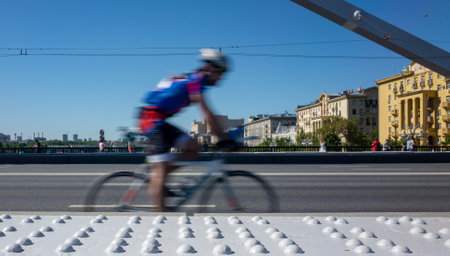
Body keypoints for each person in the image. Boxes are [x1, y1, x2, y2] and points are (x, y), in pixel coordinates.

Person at [138, 48, 233, 211]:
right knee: (160, 171)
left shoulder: (195, 79)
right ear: (210, 68)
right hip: (151, 119)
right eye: (220, 72)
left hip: (160, 120)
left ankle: (160, 175)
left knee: (194, 147)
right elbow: (208, 114)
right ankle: (161, 217)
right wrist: (224, 138)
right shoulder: (196, 80)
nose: (221, 77)